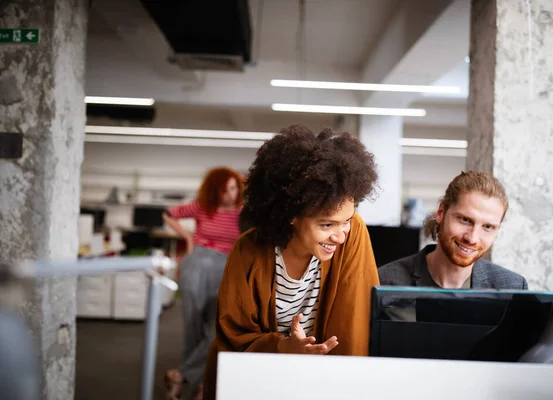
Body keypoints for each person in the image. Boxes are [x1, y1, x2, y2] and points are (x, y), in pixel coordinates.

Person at [202, 124, 380, 400]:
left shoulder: (354, 232)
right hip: (260, 381)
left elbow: (357, 328)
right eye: (326, 224)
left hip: (325, 383)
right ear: (291, 215)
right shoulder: (249, 250)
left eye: (346, 220)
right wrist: (285, 347)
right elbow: (233, 335)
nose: (340, 235)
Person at [163, 167, 243, 400]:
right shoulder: (202, 206)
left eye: (234, 187)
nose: (230, 193)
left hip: (227, 267)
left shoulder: (243, 211)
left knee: (220, 328)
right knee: (193, 327)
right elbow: (169, 213)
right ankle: (200, 386)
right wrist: (187, 237)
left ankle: (181, 374)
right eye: (225, 189)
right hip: (197, 263)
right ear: (214, 190)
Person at [379, 171, 528, 290]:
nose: (472, 238)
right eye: (465, 220)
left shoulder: (512, 288)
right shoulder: (385, 281)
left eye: (487, 227)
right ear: (441, 212)